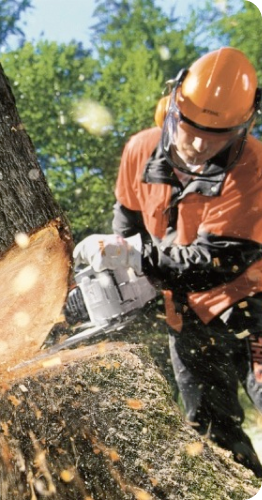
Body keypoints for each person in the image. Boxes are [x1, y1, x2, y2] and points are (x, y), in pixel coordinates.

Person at [73, 47, 262, 477]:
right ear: (174, 105)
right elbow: (126, 229)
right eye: (192, 128)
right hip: (186, 318)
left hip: (250, 302)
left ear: (242, 127)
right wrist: (117, 261)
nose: (199, 143)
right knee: (213, 435)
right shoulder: (140, 151)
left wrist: (137, 254)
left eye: (217, 135)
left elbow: (215, 262)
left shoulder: (253, 165)